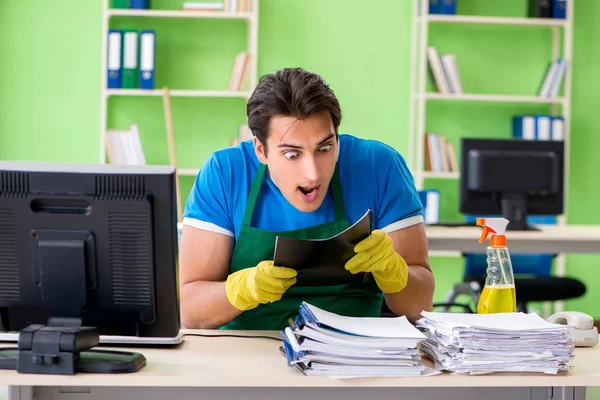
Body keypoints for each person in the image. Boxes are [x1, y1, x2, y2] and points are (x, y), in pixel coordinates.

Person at [178, 67, 434, 330]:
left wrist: (395, 272)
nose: (313, 174)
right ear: (261, 150)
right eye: (292, 154)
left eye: (325, 148)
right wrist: (241, 290)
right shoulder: (226, 173)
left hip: (355, 352)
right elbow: (190, 311)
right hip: (247, 352)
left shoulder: (378, 166)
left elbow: (421, 304)